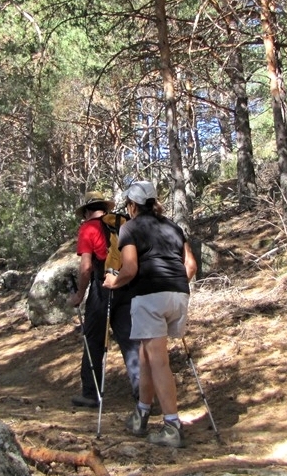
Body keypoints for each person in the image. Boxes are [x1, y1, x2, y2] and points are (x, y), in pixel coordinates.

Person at [103, 181, 197, 448]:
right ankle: (142, 414)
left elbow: (130, 269)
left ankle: (172, 425)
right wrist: (174, 285)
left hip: (148, 296)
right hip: (178, 294)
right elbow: (190, 265)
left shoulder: (129, 228)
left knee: (157, 360)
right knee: (145, 355)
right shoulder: (173, 227)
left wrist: (113, 282)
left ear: (132, 205)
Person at [68, 191, 140, 408]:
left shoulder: (88, 228)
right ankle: (143, 396)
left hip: (103, 289)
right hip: (128, 287)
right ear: (105, 208)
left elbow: (86, 267)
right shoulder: (125, 223)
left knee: (93, 340)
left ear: (87, 211)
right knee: (130, 342)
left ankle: (91, 394)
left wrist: (80, 294)